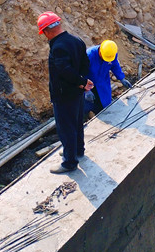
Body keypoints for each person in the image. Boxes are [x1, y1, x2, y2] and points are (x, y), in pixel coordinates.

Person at [38, 11, 93, 173]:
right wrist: (82, 82)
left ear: (46, 31)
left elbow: (65, 71)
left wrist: (81, 82)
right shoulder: (76, 41)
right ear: (59, 24)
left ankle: (69, 162)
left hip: (63, 95)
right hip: (76, 93)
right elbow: (85, 64)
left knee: (65, 127)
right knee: (76, 122)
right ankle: (77, 150)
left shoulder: (58, 47)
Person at [84, 40, 132, 116]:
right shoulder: (89, 55)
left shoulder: (111, 54)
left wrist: (122, 78)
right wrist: (86, 90)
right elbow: (79, 73)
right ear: (100, 52)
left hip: (103, 83)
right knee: (86, 105)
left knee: (104, 104)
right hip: (88, 83)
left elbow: (115, 65)